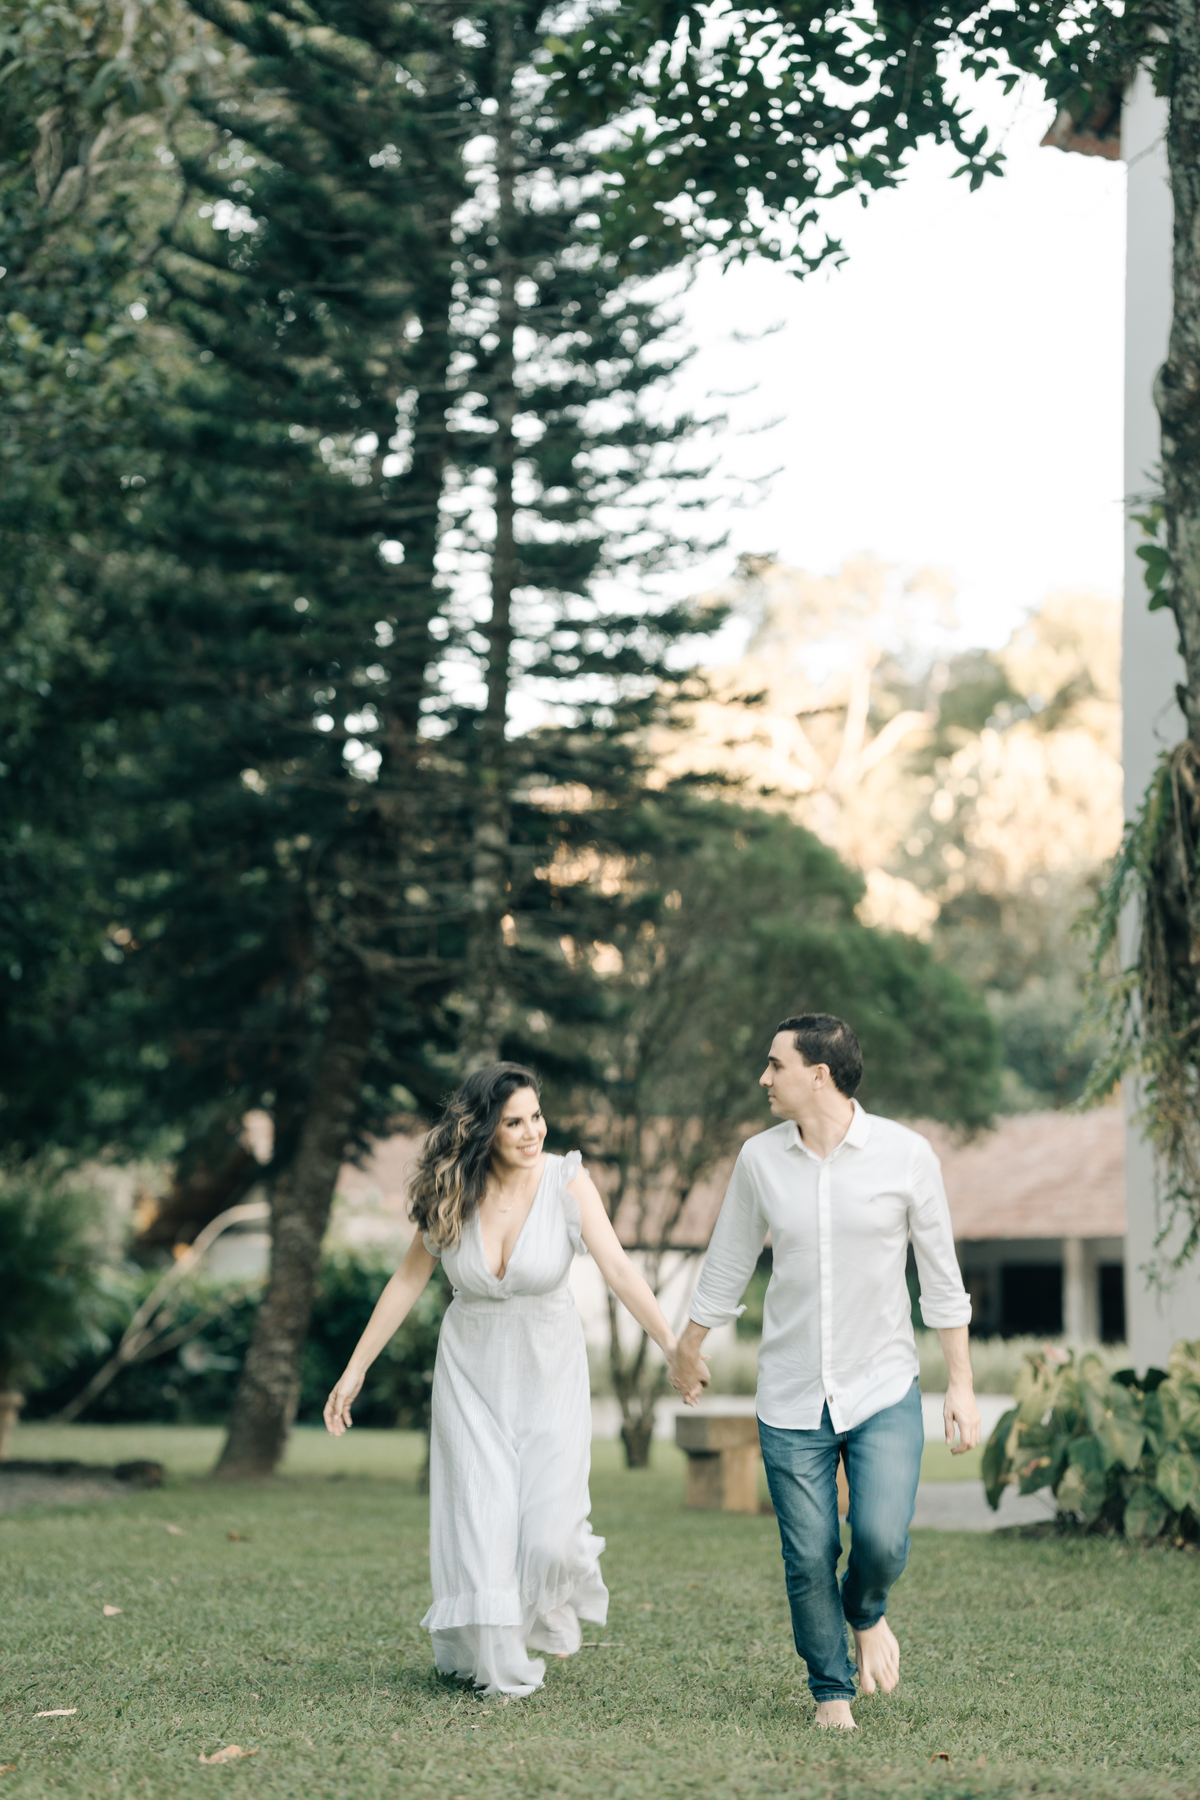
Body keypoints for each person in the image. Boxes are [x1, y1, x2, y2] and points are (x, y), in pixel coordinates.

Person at [324, 1061, 684, 1698]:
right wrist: (354, 1369)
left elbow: (620, 1271)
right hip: (470, 1377)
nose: (532, 1132)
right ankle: (498, 1668)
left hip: (550, 1378)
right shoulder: (452, 1191)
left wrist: (673, 1347)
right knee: (481, 1523)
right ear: (483, 1128)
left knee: (550, 1538)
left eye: (536, 1117)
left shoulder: (567, 1182)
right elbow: (407, 1280)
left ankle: (545, 1609)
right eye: (514, 1122)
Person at [672, 1014, 980, 1731]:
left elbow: (941, 1278)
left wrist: (960, 1383)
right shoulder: (759, 1159)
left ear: (820, 1075)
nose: (763, 1078)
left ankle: (865, 1610)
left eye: (775, 1065)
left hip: (883, 1386)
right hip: (790, 1394)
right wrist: (689, 1344)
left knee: (881, 1539)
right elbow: (728, 1259)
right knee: (808, 1553)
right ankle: (830, 1692)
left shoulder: (907, 1155)